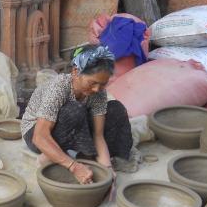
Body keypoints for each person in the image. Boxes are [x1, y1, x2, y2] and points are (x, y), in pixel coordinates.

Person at [21, 44, 132, 185]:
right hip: (36, 131)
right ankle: (47, 157)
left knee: (115, 109)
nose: (97, 88)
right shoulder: (59, 86)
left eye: (102, 84)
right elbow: (39, 137)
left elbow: (98, 135)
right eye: (92, 83)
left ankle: (84, 157)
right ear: (75, 72)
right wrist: (74, 167)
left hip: (72, 122)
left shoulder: (98, 92)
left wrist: (107, 169)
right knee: (75, 110)